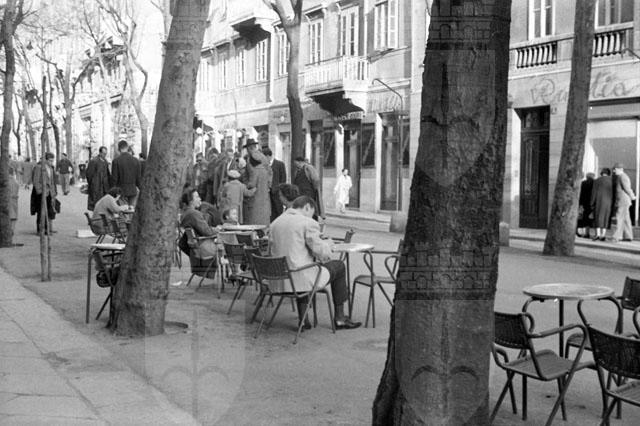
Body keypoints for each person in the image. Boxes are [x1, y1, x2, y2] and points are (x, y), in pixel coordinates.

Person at [269, 195, 361, 330]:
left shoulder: (275, 223)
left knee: (299, 267)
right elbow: (322, 252)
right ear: (307, 207)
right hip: (299, 278)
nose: (311, 217)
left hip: (279, 280)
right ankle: (340, 318)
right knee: (339, 266)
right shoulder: (307, 223)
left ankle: (303, 320)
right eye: (311, 213)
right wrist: (328, 244)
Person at [180, 189, 218, 257]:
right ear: (190, 200)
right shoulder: (194, 214)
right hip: (203, 246)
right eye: (197, 197)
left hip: (195, 246)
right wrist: (218, 229)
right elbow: (207, 232)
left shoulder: (186, 213)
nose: (200, 199)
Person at [243, 148, 271, 226]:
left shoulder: (255, 171)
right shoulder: (264, 170)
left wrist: (245, 185)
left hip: (256, 199)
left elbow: (252, 184)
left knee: (254, 220)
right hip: (264, 198)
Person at [31, 152, 58, 234]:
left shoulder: (51, 168)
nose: (51, 162)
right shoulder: (39, 167)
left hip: (49, 193)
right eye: (50, 160)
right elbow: (36, 181)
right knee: (40, 211)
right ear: (45, 160)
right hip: (41, 193)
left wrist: (53, 193)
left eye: (52, 160)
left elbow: (52, 182)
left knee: (48, 211)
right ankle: (39, 229)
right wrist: (40, 192)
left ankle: (46, 228)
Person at [293, 157, 324, 221]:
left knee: (310, 211)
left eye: (296, 163)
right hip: (300, 194)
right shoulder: (298, 171)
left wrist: (314, 189)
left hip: (309, 194)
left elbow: (315, 179)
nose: (296, 165)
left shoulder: (309, 168)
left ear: (300, 162)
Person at [111, 140, 141, 206]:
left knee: (122, 209)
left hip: (121, 190)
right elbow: (138, 177)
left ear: (119, 149)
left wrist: (112, 190)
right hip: (133, 189)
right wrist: (139, 187)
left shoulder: (116, 161)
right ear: (127, 148)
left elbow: (114, 178)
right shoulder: (136, 161)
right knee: (131, 209)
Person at [611, 162, 636, 242]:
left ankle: (617, 236)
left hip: (622, 201)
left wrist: (632, 196)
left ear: (620, 169)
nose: (614, 171)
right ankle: (628, 236)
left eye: (615, 169)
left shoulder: (622, 177)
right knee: (626, 219)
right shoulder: (621, 176)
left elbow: (627, 188)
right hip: (624, 201)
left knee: (619, 218)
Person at [263, 147, 287, 222]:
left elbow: (283, 178)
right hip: (267, 192)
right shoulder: (263, 165)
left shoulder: (280, 164)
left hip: (277, 192)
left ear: (268, 156)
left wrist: (280, 189)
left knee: (278, 209)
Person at [590, 168, 613, 241]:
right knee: (606, 218)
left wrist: (591, 203)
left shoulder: (597, 181)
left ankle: (598, 234)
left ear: (601, 173)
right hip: (608, 202)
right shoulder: (612, 181)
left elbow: (594, 193)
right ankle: (603, 235)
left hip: (598, 201)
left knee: (598, 217)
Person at [576, 172, 594, 238]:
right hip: (590, 203)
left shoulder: (582, 183)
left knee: (581, 218)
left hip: (582, 202)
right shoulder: (594, 183)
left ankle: (580, 232)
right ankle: (587, 233)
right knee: (588, 219)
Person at [9, 167, 19, 232]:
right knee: (13, 217)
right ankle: (12, 230)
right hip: (14, 201)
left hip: (7, 201)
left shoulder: (5, 181)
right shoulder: (16, 182)